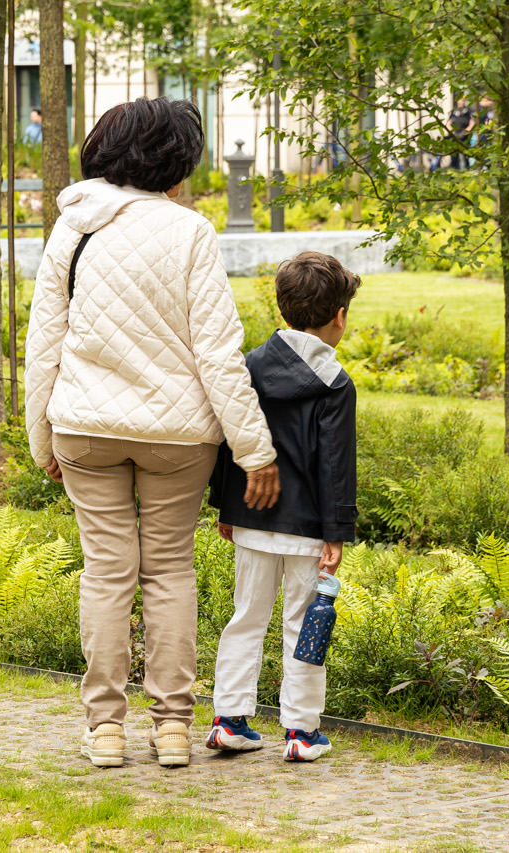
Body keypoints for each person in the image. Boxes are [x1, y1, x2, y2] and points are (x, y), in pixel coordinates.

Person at [24, 97, 278, 771]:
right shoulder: (189, 231)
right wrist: (254, 448)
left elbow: (42, 345)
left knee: (106, 571)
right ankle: (171, 729)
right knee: (169, 571)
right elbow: (218, 353)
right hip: (176, 435)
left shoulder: (71, 228)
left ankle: (105, 729)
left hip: (85, 426)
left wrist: (40, 439)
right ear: (174, 159)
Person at [205, 250, 359, 764]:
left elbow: (231, 442)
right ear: (339, 317)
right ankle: (300, 731)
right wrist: (336, 533)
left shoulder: (248, 366)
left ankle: (229, 720)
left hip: (249, 519)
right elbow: (335, 466)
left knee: (245, 617)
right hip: (308, 529)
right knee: (305, 623)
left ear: (283, 309)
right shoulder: (335, 384)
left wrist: (226, 508)